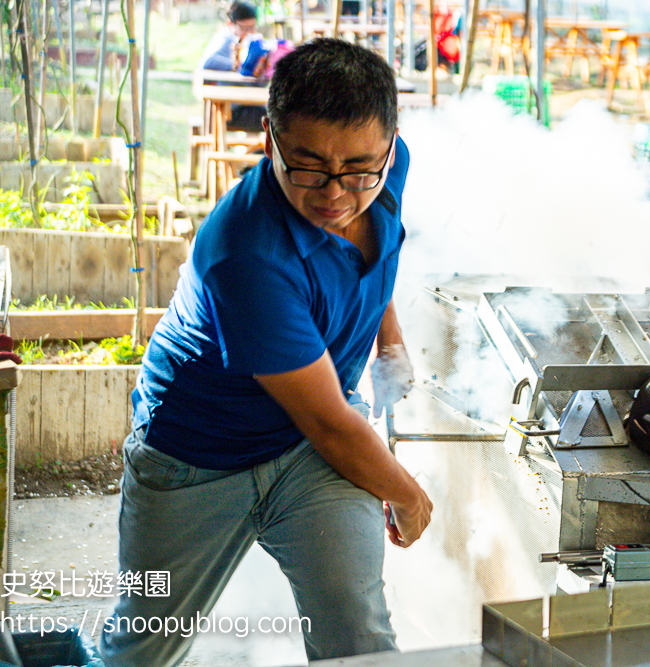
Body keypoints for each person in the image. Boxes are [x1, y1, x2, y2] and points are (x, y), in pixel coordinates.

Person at [101, 38, 432, 666]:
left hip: (306, 452)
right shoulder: (245, 253)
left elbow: (374, 255)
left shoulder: (384, 169)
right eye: (307, 167)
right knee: (142, 650)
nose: (336, 193)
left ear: (390, 145)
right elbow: (333, 425)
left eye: (360, 170)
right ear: (270, 140)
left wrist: (390, 339)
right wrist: (409, 494)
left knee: (358, 635)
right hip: (195, 460)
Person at [199, 0, 268, 132]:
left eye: (253, 27)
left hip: (247, 104)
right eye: (244, 28)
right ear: (230, 24)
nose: (250, 32)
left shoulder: (250, 43)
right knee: (273, 122)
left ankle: (257, 151)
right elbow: (207, 62)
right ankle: (258, 151)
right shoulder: (226, 39)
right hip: (231, 110)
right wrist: (238, 64)